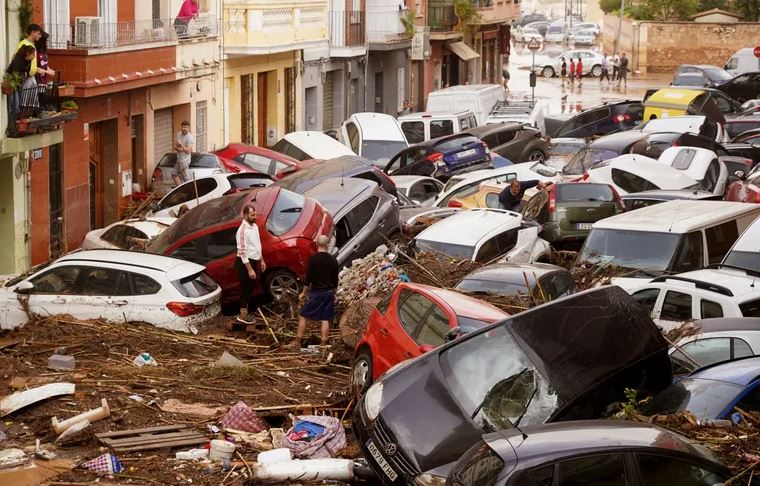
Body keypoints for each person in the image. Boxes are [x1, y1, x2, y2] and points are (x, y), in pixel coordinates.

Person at [288, 235, 339, 349]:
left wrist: (303, 293)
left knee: (303, 315)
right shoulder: (333, 261)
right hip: (329, 293)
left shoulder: (313, 260)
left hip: (316, 293)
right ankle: (323, 344)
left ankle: (297, 341)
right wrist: (334, 294)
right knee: (325, 319)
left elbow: (308, 279)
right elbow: (335, 281)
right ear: (328, 244)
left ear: (316, 244)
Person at [234, 205, 266, 327]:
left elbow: (258, 244)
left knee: (252, 286)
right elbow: (242, 252)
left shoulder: (255, 226)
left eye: (255, 214)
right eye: (252, 215)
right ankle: (242, 315)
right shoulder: (242, 231)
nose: (255, 217)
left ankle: (247, 311)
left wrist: (261, 260)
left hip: (254, 260)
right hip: (244, 264)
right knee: (246, 288)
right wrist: (250, 269)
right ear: (246, 215)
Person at [5, 45, 35, 132]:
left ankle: (13, 125)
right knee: (14, 105)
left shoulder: (26, 62)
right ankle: (11, 126)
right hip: (12, 85)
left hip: (18, 85)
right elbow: (14, 73)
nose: (33, 57)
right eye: (32, 55)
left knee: (16, 106)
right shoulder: (19, 61)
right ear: (28, 54)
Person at [173, 121, 194, 186]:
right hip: (179, 159)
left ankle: (189, 191)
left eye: (186, 127)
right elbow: (174, 145)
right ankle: (180, 189)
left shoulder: (189, 137)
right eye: (183, 127)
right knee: (174, 173)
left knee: (186, 178)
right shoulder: (178, 134)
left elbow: (189, 151)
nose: (185, 129)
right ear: (181, 127)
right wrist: (177, 149)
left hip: (185, 160)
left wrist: (181, 145)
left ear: (189, 128)